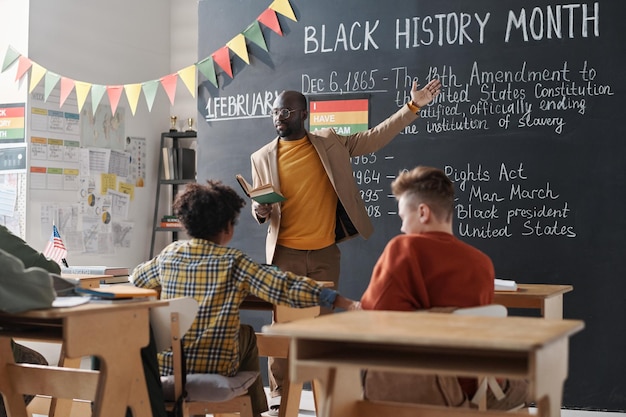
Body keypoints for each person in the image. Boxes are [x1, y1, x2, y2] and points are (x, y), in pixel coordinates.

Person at [250, 78, 442, 410]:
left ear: (303, 113)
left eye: (285, 111)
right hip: (285, 254)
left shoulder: (329, 142)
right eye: (274, 112)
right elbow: (261, 208)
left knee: (324, 328)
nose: (277, 117)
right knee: (282, 327)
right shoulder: (262, 156)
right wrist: (259, 210)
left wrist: (412, 107)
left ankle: (325, 395)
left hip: (325, 252)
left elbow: (372, 139)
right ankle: (279, 396)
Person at [131, 180, 359, 417]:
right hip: (216, 368)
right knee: (247, 334)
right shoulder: (234, 261)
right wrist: (337, 299)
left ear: (187, 224)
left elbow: (137, 278)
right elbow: (284, 287)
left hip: (169, 366)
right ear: (227, 228)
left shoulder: (169, 255)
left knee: (215, 332)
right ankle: (252, 410)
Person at [359, 165, 528, 410]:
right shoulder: (482, 263)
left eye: (403, 217)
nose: (403, 228)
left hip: (426, 389)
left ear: (423, 212)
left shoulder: (404, 250)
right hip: (482, 388)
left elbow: (371, 319)